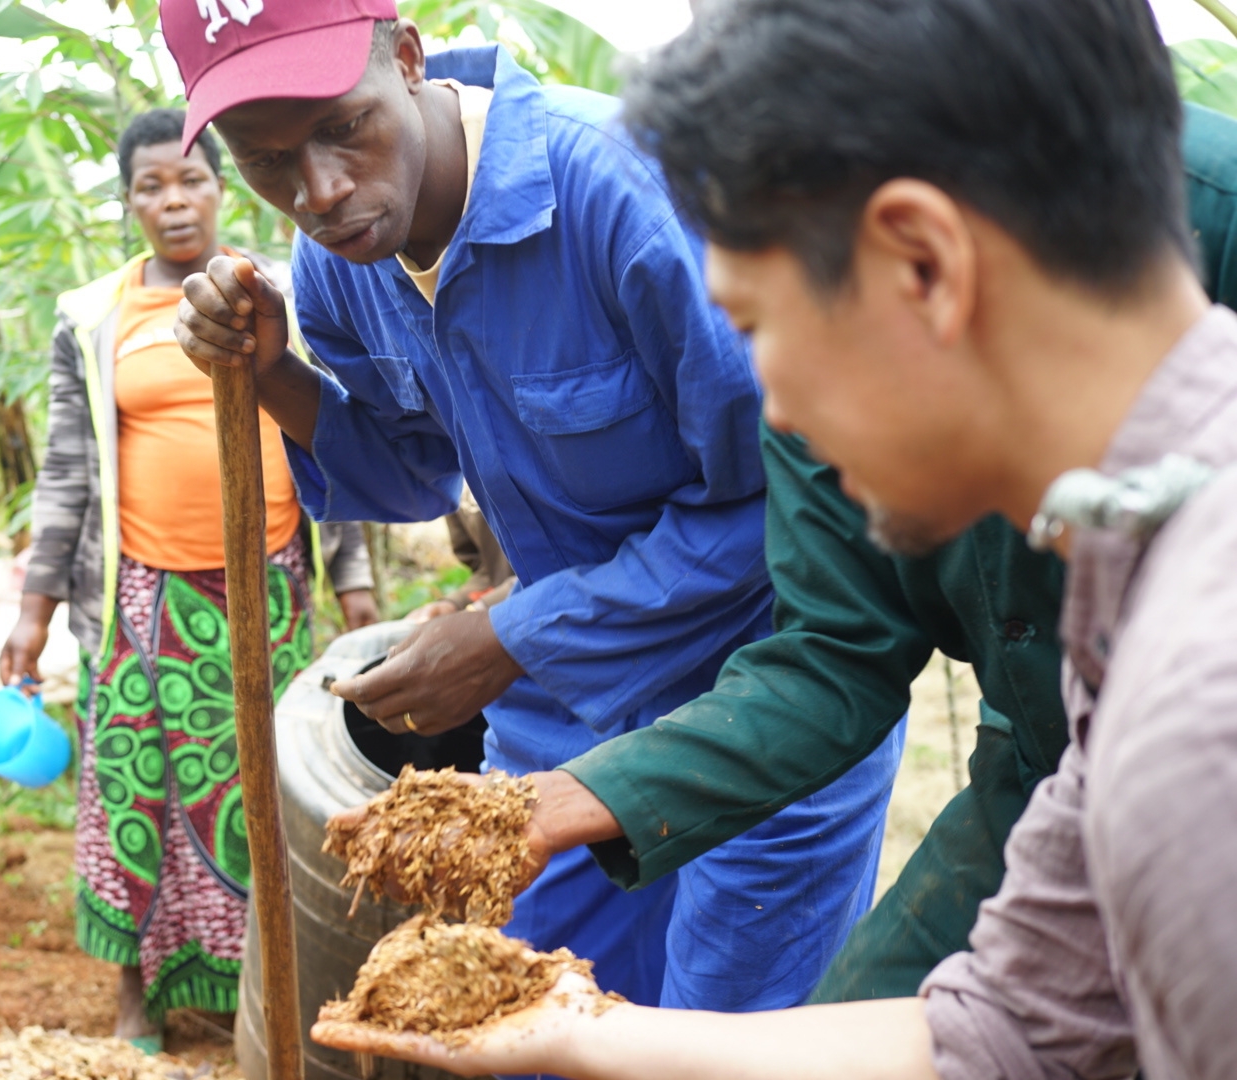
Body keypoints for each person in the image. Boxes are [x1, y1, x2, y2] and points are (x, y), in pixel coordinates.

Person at [312, 0, 1237, 1076]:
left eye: (755, 330)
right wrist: (585, 1033)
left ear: (922, 264)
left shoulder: (1189, 724)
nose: (775, 420)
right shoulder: (1123, 611)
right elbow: (1018, 1020)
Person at [161, 0, 907, 1015]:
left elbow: (784, 504)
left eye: (344, 127)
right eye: (266, 160)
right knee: (533, 1019)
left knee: (720, 1033)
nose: (320, 191)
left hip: (764, 695)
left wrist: (510, 636)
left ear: (410, 60)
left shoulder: (623, 192)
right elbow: (405, 473)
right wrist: (275, 373)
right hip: (564, 708)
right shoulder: (347, 260)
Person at [0, 108, 375, 1045]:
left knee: (263, 795)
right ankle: (139, 999)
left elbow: (335, 429)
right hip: (137, 601)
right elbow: (68, 471)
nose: (173, 201)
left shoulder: (280, 290)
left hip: (272, 587)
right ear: (128, 201)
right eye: (150, 186)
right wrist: (34, 612)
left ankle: (268, 992)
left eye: (191, 180)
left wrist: (357, 584)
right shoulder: (92, 316)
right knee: (134, 790)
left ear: (222, 185)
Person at [406, 485, 516, 623]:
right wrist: (454, 604)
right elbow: (489, 570)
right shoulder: (453, 483)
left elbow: (547, 569)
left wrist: (484, 607)